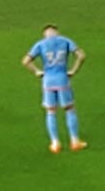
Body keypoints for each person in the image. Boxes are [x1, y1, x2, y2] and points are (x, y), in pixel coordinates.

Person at [21, 25, 87, 154]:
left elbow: (25, 61)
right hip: (62, 79)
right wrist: (73, 70)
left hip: (48, 81)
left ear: (45, 34)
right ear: (56, 32)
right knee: (69, 109)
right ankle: (74, 141)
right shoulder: (65, 41)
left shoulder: (40, 44)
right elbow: (81, 55)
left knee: (51, 111)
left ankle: (55, 143)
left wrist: (37, 71)